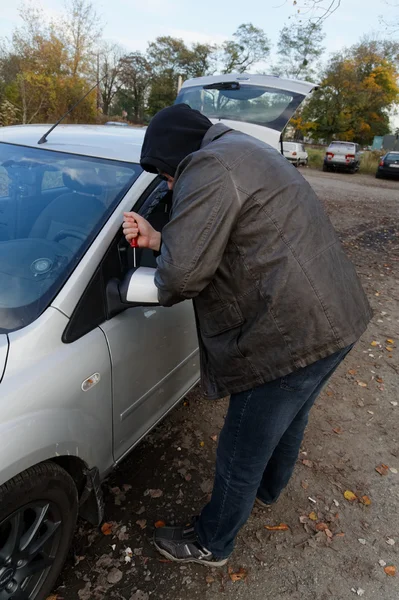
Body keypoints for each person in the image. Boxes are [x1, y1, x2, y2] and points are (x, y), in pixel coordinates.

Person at [122, 104, 372, 567]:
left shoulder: (206, 166)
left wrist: (162, 257)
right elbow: (225, 235)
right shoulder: (242, 149)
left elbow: (179, 277)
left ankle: (212, 542)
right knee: (291, 416)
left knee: (240, 448)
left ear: (175, 154)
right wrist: (159, 238)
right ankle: (269, 491)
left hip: (288, 333)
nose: (170, 184)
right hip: (337, 315)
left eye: (165, 174)